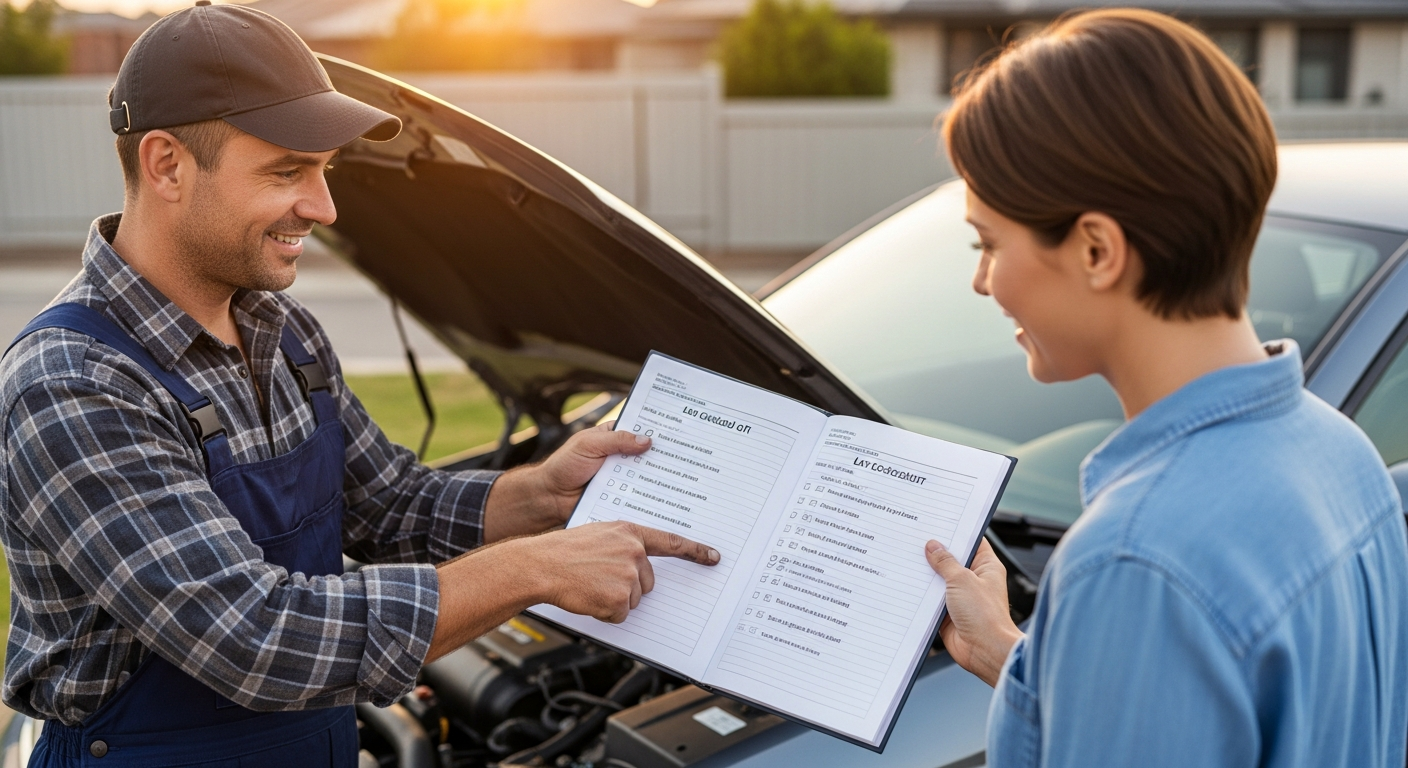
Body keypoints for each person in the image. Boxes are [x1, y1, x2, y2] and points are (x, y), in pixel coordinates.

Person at [0, 4, 718, 766]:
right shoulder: (74, 384)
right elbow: (257, 638)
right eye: (287, 171)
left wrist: (543, 494)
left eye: (323, 171)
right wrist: (533, 569)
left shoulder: (287, 335)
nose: (324, 207)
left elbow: (391, 505)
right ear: (167, 164)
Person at [920, 9, 1408, 768]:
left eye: (988, 243)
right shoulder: (1341, 456)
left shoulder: (1136, 560)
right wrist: (1018, 655)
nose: (981, 281)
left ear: (1095, 249)